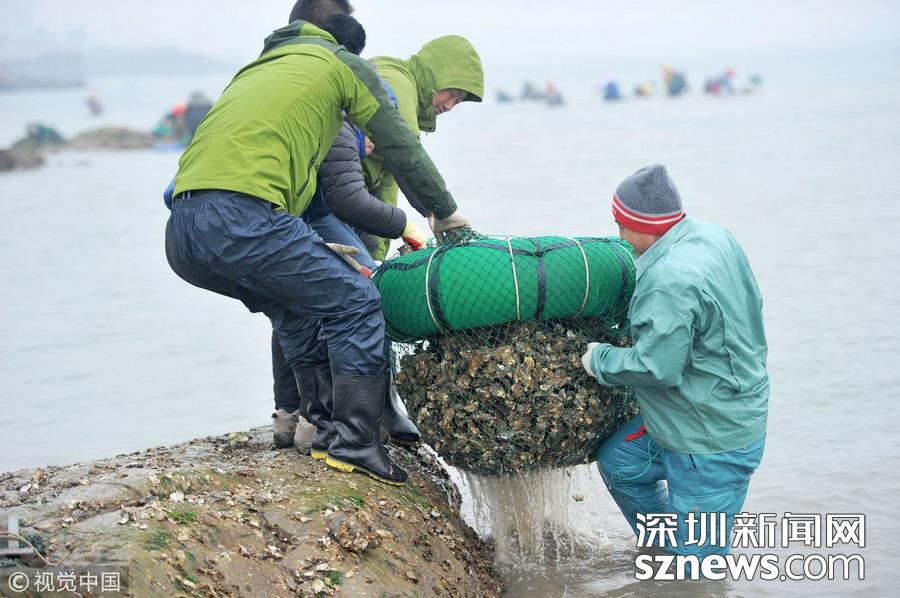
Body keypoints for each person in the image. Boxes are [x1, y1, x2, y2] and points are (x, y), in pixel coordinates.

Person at [165, 16, 471, 486]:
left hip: (182, 232)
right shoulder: (342, 68)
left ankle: (321, 426)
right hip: (240, 217)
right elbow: (397, 152)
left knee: (293, 309)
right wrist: (443, 213)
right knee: (359, 301)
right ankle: (356, 443)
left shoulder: (261, 70)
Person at [581, 164, 769, 563]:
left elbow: (657, 368)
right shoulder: (715, 236)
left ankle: (687, 560)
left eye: (621, 226)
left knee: (696, 571)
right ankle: (663, 550)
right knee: (620, 463)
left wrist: (599, 358)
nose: (620, 236)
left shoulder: (669, 279)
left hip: (711, 443)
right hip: (699, 412)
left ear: (641, 226)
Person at [270, 12, 427, 455]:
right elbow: (347, 199)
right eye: (374, 129)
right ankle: (365, 418)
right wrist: (408, 227)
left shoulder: (297, 93)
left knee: (290, 315)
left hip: (268, 220)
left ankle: (294, 417)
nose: (376, 142)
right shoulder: (341, 122)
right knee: (364, 297)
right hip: (303, 218)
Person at [363, 35, 484, 260]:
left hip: (347, 195)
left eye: (457, 102)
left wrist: (376, 255)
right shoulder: (397, 83)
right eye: (452, 94)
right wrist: (444, 212)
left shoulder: (404, 87)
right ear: (438, 75)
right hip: (328, 193)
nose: (449, 106)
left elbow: (386, 184)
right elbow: (407, 157)